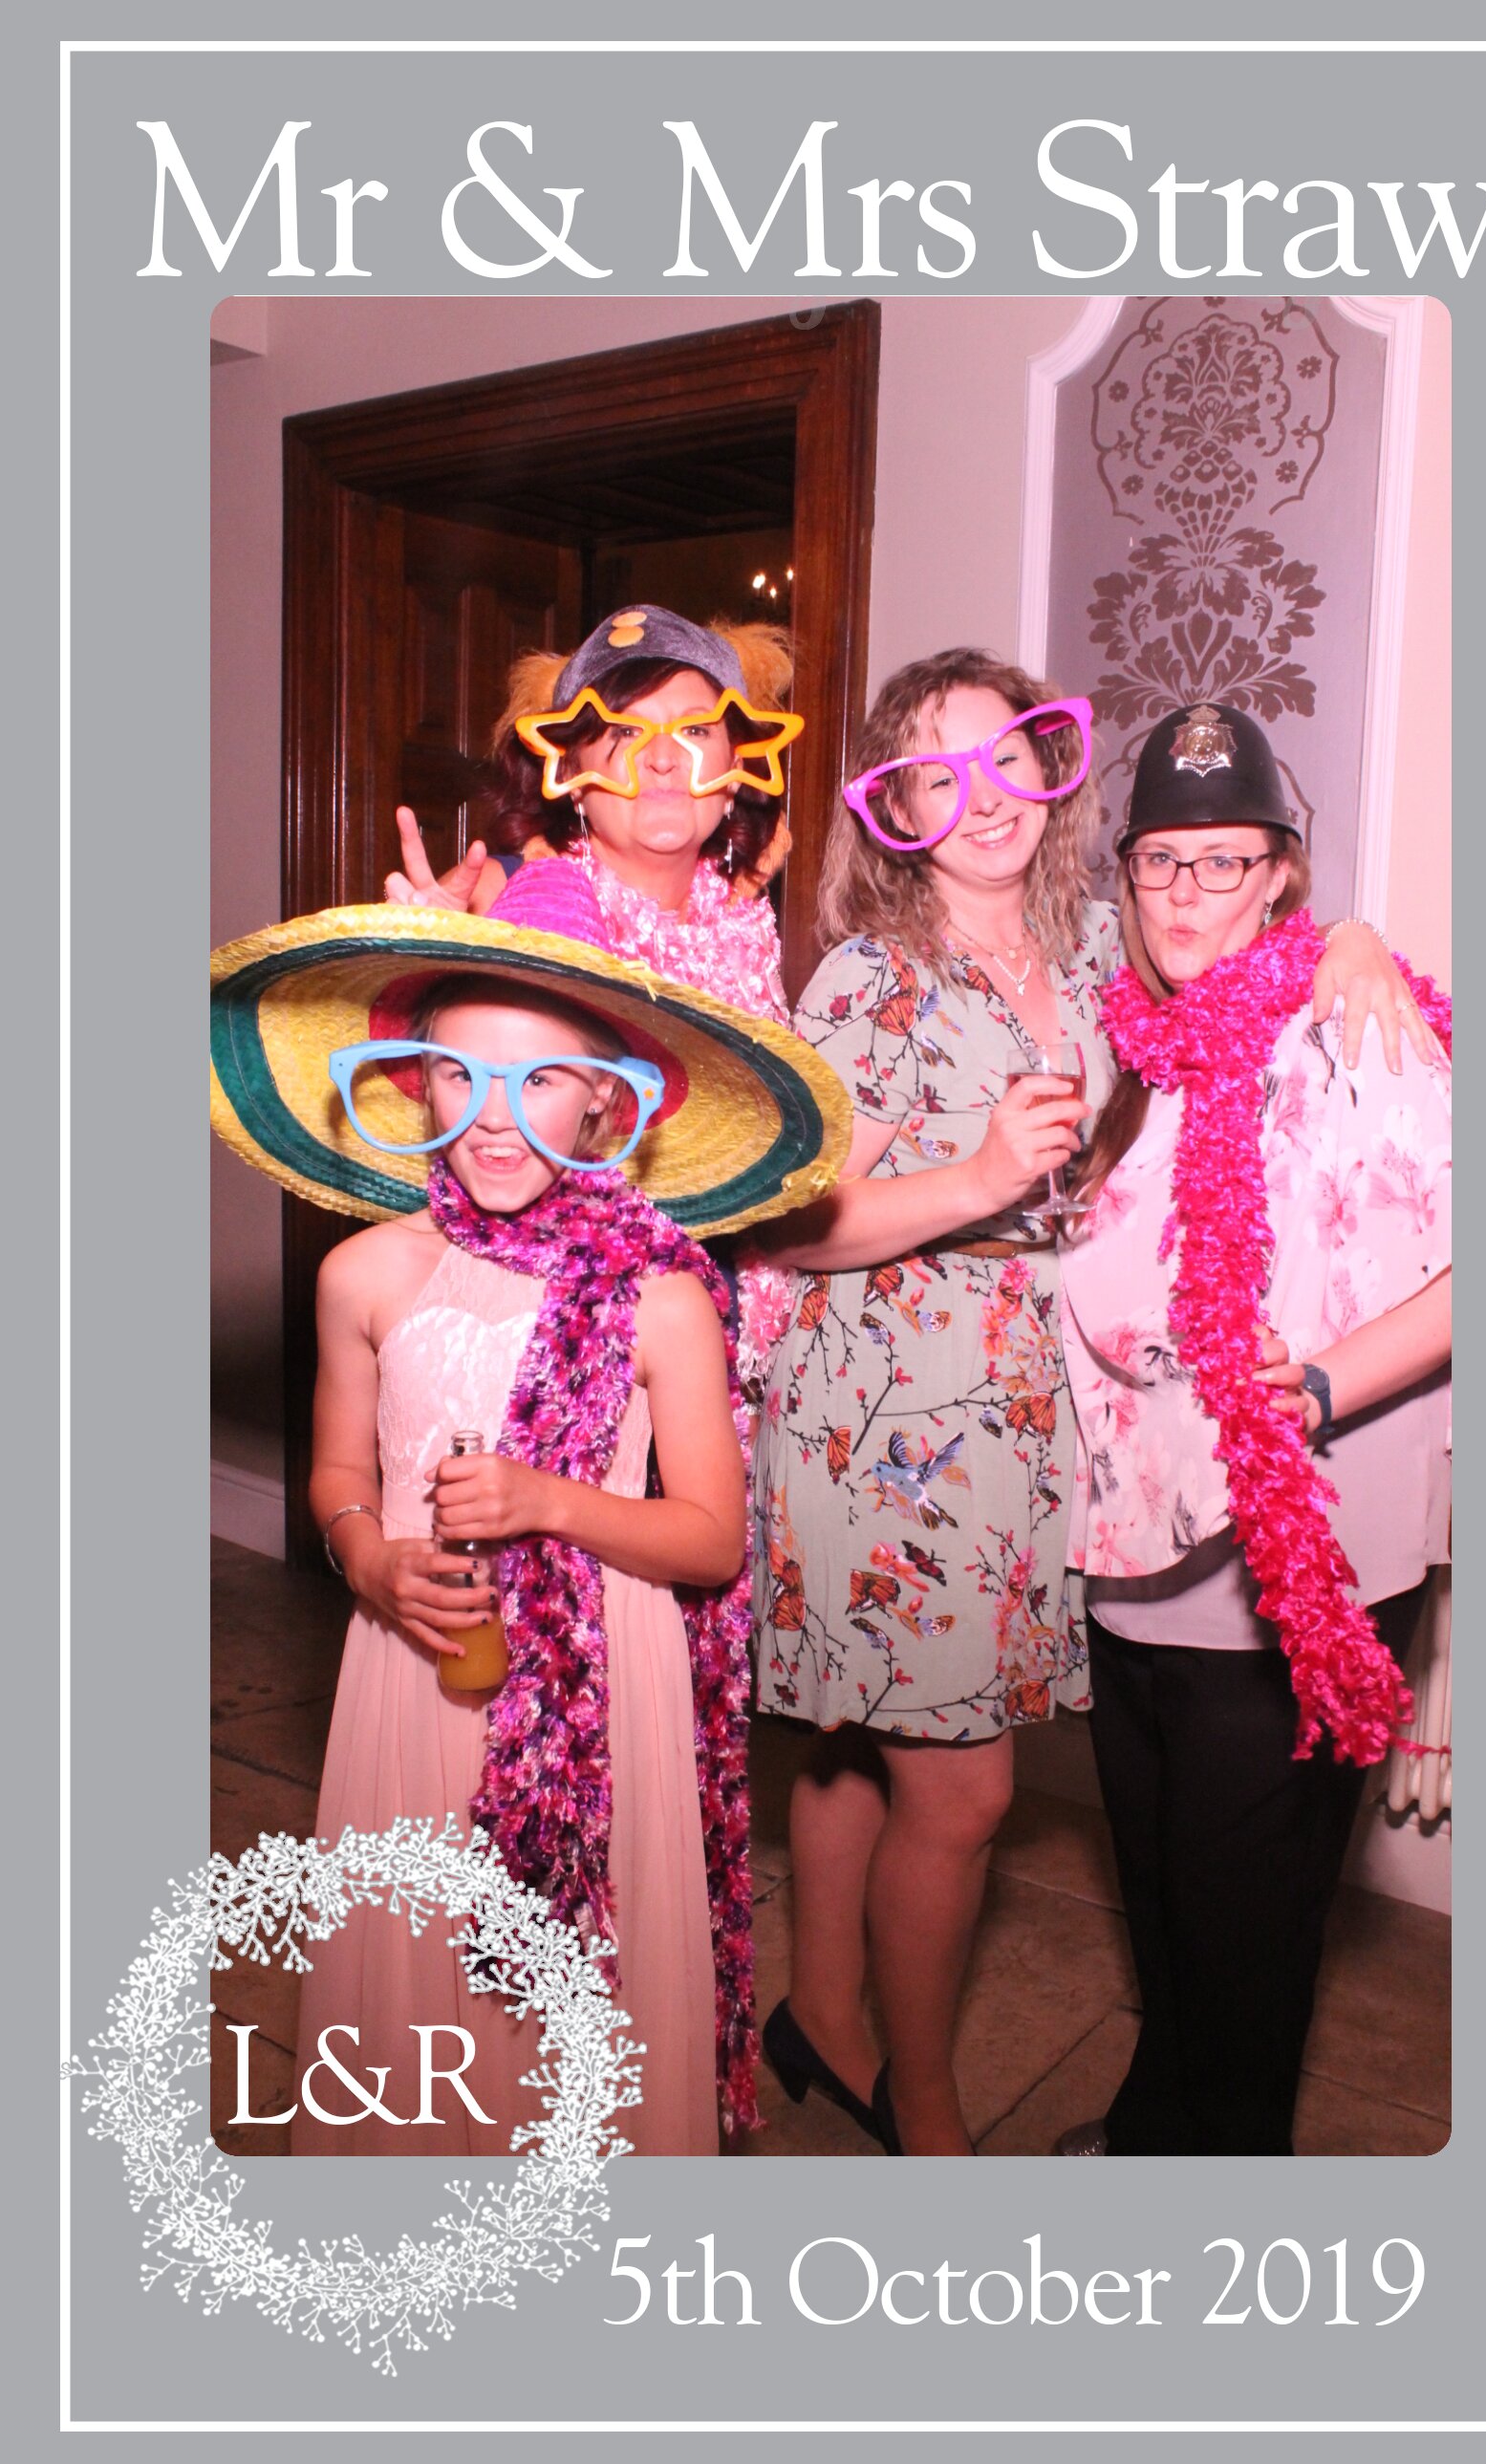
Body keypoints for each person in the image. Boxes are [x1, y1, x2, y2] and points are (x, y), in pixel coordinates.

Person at [749, 651, 1420, 2157]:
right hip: (892, 1421)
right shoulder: (869, 979)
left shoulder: (1103, 945)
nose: (983, 799)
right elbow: (799, 1226)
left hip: (1044, 1414)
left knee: (865, 1735)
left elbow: (1245, 932)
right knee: (965, 1793)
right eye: (939, 775)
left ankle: (823, 2012)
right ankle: (923, 2108)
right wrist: (982, 1178)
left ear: (1052, 773)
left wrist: (1357, 940)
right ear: (898, 809)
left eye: (1011, 759)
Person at [207, 875, 851, 2155]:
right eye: (463, 1073)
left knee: (577, 2031)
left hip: (604, 1691)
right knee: (418, 1985)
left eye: (540, 1080)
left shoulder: (662, 1297)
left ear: (607, 1102)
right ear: (413, 1082)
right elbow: (336, 1474)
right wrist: (366, 1560)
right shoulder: (363, 1274)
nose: (495, 1118)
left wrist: (549, 1500)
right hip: (414, 1669)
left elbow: (709, 1538)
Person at [1053, 698, 1453, 2158]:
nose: (1187, 894)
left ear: (1282, 871)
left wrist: (1324, 1386)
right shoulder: (1131, 1043)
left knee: (1247, 1943)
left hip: (1295, 1568)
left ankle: (1217, 2196)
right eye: (1162, 860)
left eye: (1225, 860)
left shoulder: (1357, 1030)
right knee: (1166, 1911)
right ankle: (1155, 2132)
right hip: (1138, 1559)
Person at [387, 603, 803, 1391]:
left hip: (735, 1340)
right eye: (621, 732)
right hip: (571, 1345)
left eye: (694, 730)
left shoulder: (744, 922)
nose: (662, 760)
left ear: (736, 766)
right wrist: (430, 960)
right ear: (571, 769)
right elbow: (446, 1119)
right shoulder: (520, 903)